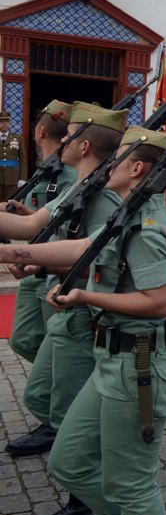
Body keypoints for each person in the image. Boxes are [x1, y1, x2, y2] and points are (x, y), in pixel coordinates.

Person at [0, 125, 166, 515]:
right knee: (68, 460)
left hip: (143, 362)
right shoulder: (121, 213)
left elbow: (159, 301)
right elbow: (80, 249)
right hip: (113, 357)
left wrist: (86, 297)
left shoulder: (147, 223)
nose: (106, 165)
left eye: (119, 158)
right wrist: (11, 251)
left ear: (138, 170)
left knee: (132, 481)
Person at [1, 101, 125, 515]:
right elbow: (36, 222)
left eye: (70, 133)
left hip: (86, 319)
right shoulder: (82, 186)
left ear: (85, 143)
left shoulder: (106, 193)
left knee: (73, 417)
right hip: (65, 314)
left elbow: (86, 253)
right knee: (45, 397)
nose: (62, 138)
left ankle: (84, 503)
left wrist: (20, 255)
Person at [7, 100, 77, 365]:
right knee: (23, 340)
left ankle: (61, 386)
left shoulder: (68, 175)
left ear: (41, 132)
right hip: (32, 267)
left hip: (51, 268)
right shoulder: (45, 169)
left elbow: (68, 229)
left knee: (57, 347)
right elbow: (44, 218)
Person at [0, 110, 27, 201]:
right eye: (1, 121)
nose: (4, 123)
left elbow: (23, 160)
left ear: (9, 123)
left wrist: (22, 178)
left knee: (9, 204)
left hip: (12, 178)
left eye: (6, 121)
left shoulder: (18, 138)